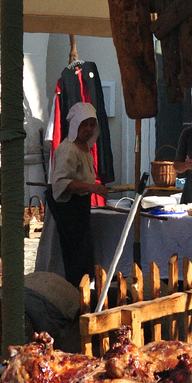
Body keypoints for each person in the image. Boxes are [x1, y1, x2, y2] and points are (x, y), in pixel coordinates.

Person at [48, 102, 110, 289]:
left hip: (79, 207)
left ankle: (84, 293)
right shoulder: (69, 149)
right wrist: (92, 188)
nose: (89, 129)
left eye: (92, 124)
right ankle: (76, 296)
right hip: (68, 209)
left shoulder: (84, 149)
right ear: (76, 126)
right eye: (85, 125)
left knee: (84, 255)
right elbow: (61, 184)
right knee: (75, 256)